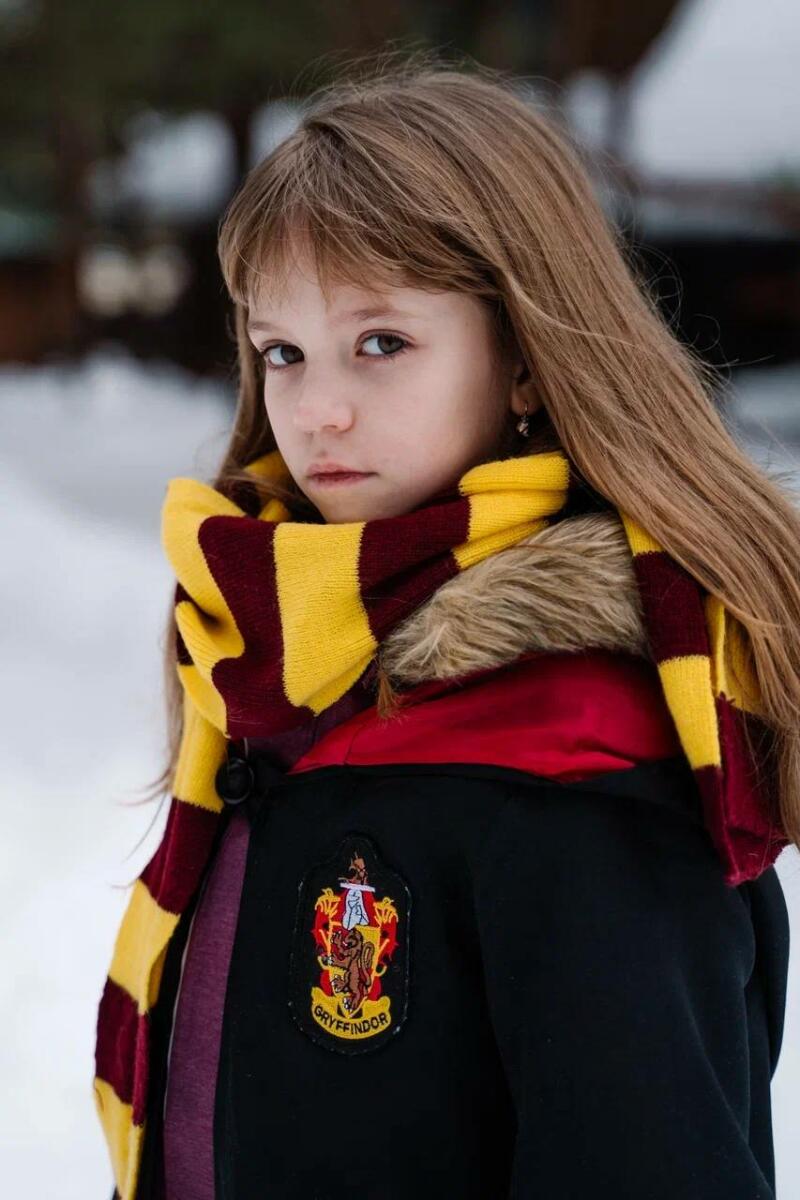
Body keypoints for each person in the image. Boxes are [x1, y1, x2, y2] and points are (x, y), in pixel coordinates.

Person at [92, 54, 799, 1200]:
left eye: (381, 343)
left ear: (522, 357)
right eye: (283, 352)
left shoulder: (575, 760)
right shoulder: (277, 666)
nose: (316, 410)